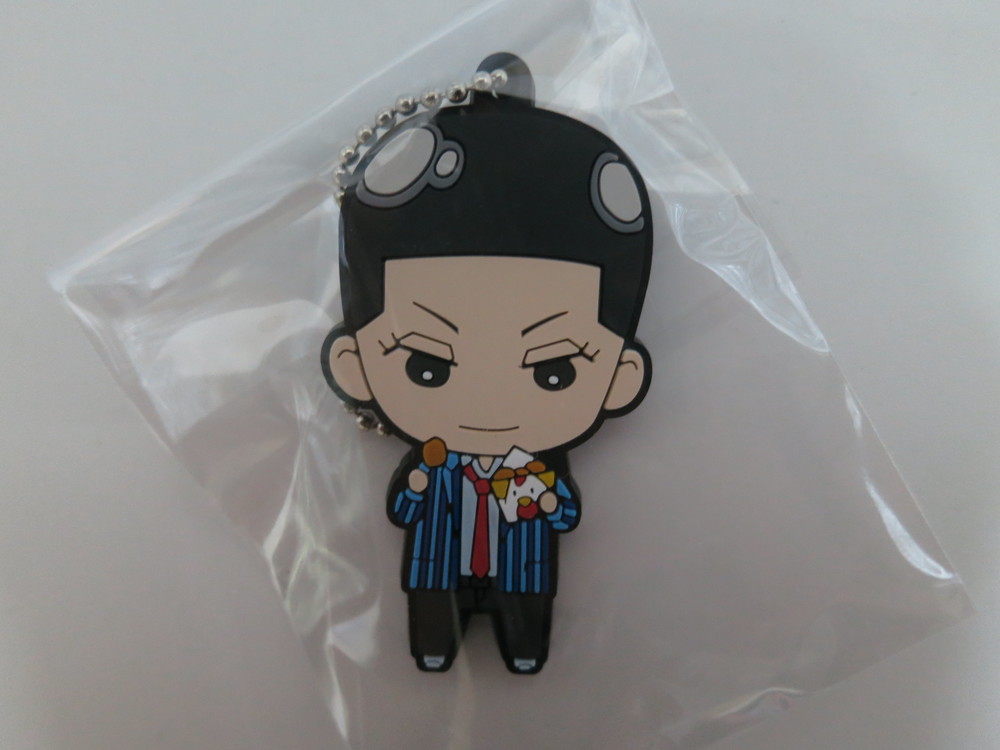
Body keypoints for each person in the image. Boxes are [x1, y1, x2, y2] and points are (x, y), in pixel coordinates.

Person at [321, 52, 654, 674]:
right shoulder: (429, 462)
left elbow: (566, 512)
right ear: (352, 364)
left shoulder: (540, 468)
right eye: (427, 367)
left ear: (621, 378)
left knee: (524, 626)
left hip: (524, 571)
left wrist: (540, 496)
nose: (490, 400)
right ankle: (434, 647)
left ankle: (523, 651)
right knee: (433, 623)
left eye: (553, 372)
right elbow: (403, 509)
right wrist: (418, 483)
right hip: (436, 568)